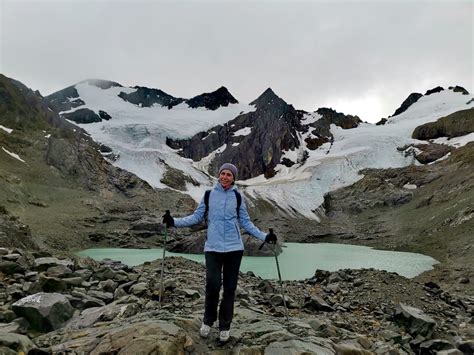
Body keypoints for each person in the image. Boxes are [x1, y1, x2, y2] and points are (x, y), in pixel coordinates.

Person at [162, 163, 277, 342]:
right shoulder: (209, 195)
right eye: (222, 173)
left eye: (229, 175)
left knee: (230, 289)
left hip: (234, 248)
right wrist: (173, 222)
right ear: (218, 175)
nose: (225, 177)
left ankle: (225, 326)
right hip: (213, 248)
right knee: (213, 285)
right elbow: (196, 217)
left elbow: (246, 223)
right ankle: (208, 321)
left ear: (233, 178)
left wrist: (264, 236)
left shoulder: (238, 197)